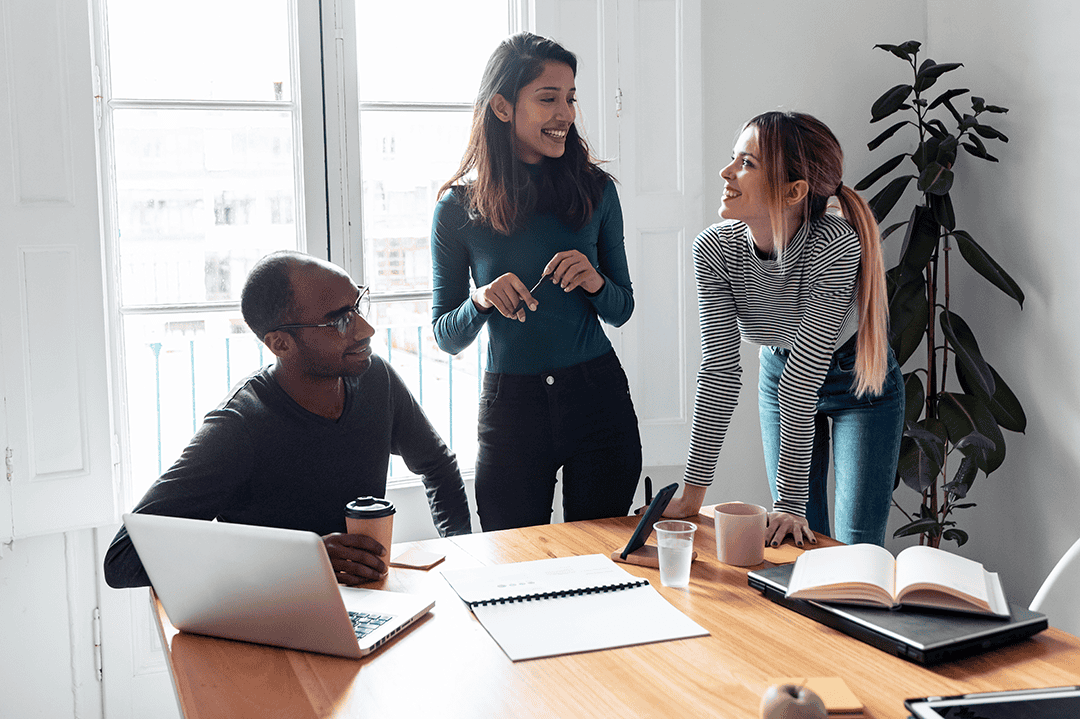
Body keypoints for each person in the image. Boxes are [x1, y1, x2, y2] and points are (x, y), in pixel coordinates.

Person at [104, 251, 472, 589]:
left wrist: (460, 561)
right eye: (341, 321)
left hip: (371, 606)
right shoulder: (239, 427)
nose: (366, 330)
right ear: (280, 344)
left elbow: (437, 465)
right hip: (274, 624)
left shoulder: (376, 378)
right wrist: (301, 559)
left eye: (358, 307)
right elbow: (122, 561)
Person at [662, 111, 904, 548]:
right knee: (794, 536)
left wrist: (789, 500)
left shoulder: (835, 244)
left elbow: (805, 374)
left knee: (856, 547)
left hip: (861, 381)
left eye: (747, 164)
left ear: (794, 191)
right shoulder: (714, 250)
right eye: (734, 158)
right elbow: (719, 369)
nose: (726, 172)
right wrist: (692, 496)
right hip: (779, 370)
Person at [430, 32, 641, 531]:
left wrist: (593, 281)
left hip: (598, 399)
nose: (564, 113)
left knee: (603, 563)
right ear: (502, 107)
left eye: (569, 98)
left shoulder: (597, 191)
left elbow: (621, 308)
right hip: (512, 409)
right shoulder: (456, 209)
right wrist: (480, 300)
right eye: (547, 99)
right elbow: (446, 335)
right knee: (511, 564)